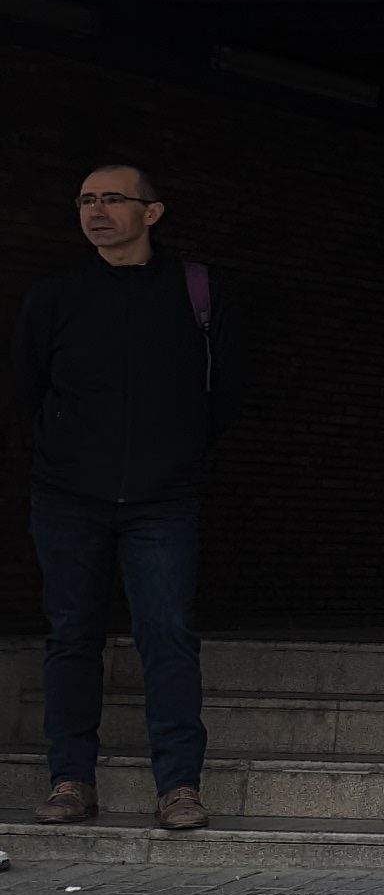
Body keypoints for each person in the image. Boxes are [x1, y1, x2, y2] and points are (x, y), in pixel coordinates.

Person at [18, 161, 238, 831]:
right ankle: (69, 780)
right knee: (71, 639)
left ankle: (178, 787)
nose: (96, 210)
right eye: (85, 199)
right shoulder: (55, 296)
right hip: (68, 498)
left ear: (153, 212)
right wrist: (63, 453)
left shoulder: (192, 292)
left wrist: (180, 457)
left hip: (162, 500)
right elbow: (28, 390)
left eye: (113, 198)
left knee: (167, 637)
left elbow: (224, 390)